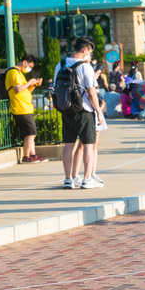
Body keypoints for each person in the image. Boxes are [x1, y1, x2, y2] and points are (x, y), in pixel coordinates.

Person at [54, 36, 105, 189]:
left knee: (68, 144)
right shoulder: (85, 67)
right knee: (89, 145)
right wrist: (99, 112)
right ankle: (87, 179)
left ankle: (68, 179)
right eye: (89, 52)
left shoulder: (60, 65)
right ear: (84, 50)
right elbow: (91, 93)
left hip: (66, 110)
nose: (90, 56)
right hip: (84, 111)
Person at [5, 54, 47, 163]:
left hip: (26, 107)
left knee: (30, 133)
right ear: (25, 62)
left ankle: (32, 155)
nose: (30, 69)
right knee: (31, 133)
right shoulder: (13, 72)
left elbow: (25, 91)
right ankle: (26, 156)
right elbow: (18, 89)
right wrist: (30, 82)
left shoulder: (19, 73)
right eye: (30, 66)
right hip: (20, 108)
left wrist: (34, 85)